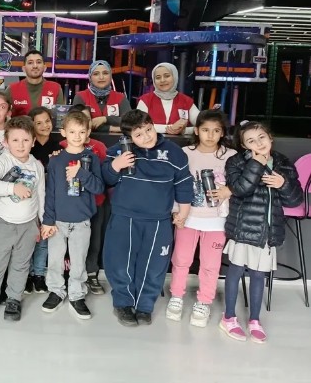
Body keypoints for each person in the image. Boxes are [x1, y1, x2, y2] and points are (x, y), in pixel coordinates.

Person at [102, 109, 193, 327]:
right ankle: (123, 303)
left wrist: (183, 212)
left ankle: (145, 306)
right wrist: (116, 165)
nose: (146, 137)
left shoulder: (174, 153)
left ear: (153, 126)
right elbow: (105, 179)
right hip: (124, 217)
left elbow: (184, 184)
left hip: (159, 220)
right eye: (138, 134)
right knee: (120, 262)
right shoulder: (119, 151)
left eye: (149, 130)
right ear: (128, 137)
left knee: (154, 265)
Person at [220, 120, 303, 343]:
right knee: (236, 271)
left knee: (259, 275)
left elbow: (295, 199)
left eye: (261, 137)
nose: (258, 143)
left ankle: (254, 320)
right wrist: (256, 163)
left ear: (270, 138)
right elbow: (240, 189)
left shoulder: (283, 163)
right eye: (251, 141)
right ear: (244, 146)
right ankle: (228, 317)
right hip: (243, 228)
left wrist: (283, 184)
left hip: (267, 232)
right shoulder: (236, 161)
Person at [166, 110, 237, 327]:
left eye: (216, 131)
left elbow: (242, 183)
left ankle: (204, 301)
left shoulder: (231, 155)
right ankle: (176, 296)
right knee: (181, 260)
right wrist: (176, 211)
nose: (210, 135)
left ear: (222, 133)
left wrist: (229, 190)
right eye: (205, 130)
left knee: (210, 264)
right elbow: (175, 183)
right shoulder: (184, 153)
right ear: (196, 131)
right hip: (188, 218)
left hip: (217, 221)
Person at [0, 116, 45, 322]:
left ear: (33, 141)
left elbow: (41, 195)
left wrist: (42, 222)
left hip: (28, 225)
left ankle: (14, 298)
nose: (21, 145)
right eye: (15, 140)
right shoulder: (2, 161)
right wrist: (12, 188)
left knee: (21, 265)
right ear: (6, 142)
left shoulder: (37, 166)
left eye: (26, 140)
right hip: (1, 222)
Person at [40, 111, 104, 319]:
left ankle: (77, 294)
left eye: (82, 132)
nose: (77, 136)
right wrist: (48, 220)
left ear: (88, 133)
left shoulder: (92, 158)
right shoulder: (56, 161)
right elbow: (51, 193)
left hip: (82, 221)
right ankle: (56, 291)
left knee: (78, 261)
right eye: (72, 132)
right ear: (64, 133)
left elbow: (98, 188)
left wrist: (81, 173)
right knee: (55, 260)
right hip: (58, 221)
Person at [69, 105, 108, 295]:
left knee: (94, 239)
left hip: (96, 202)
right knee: (72, 242)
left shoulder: (98, 147)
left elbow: (103, 176)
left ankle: (92, 273)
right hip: (73, 204)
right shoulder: (63, 146)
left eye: (85, 121)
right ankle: (71, 274)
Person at [24, 106, 63, 294]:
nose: (44, 125)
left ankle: (39, 274)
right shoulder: (27, 147)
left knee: (44, 238)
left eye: (47, 121)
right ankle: (27, 274)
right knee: (28, 239)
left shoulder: (58, 147)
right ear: (32, 126)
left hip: (49, 200)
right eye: (38, 123)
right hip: (29, 200)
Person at [137, 62, 199, 135]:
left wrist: (183, 131)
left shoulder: (186, 101)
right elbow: (139, 125)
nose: (162, 80)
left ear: (174, 77)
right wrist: (170, 128)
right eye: (158, 77)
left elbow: (202, 125)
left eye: (167, 76)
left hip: (180, 142)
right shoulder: (145, 100)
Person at [72, 60, 131, 133]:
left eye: (105, 73)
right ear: (90, 77)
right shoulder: (81, 97)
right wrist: (114, 128)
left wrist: (105, 119)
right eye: (96, 74)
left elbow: (130, 122)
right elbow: (79, 124)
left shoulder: (120, 98)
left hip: (117, 140)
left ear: (111, 76)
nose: (101, 77)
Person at [8, 49, 64, 117]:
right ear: (24, 69)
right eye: (30, 63)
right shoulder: (12, 89)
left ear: (45, 67)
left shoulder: (56, 88)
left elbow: (60, 118)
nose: (35, 66)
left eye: (38, 62)